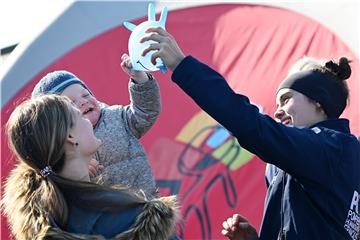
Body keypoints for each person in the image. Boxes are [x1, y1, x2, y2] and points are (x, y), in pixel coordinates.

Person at [139, 27, 360, 240]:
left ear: (319, 101)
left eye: (286, 99)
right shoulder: (294, 161)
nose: (278, 110)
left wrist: (180, 64)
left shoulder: (332, 149)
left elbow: (251, 125)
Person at [1, 94, 178, 239]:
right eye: (79, 116)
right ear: (70, 137)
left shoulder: (44, 224)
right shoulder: (133, 217)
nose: (88, 121)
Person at [31, 54, 161, 198]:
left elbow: (146, 112)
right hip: (105, 214)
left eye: (85, 95)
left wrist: (139, 78)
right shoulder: (61, 150)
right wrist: (76, 170)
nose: (83, 102)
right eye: (72, 103)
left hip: (145, 205)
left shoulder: (117, 117)